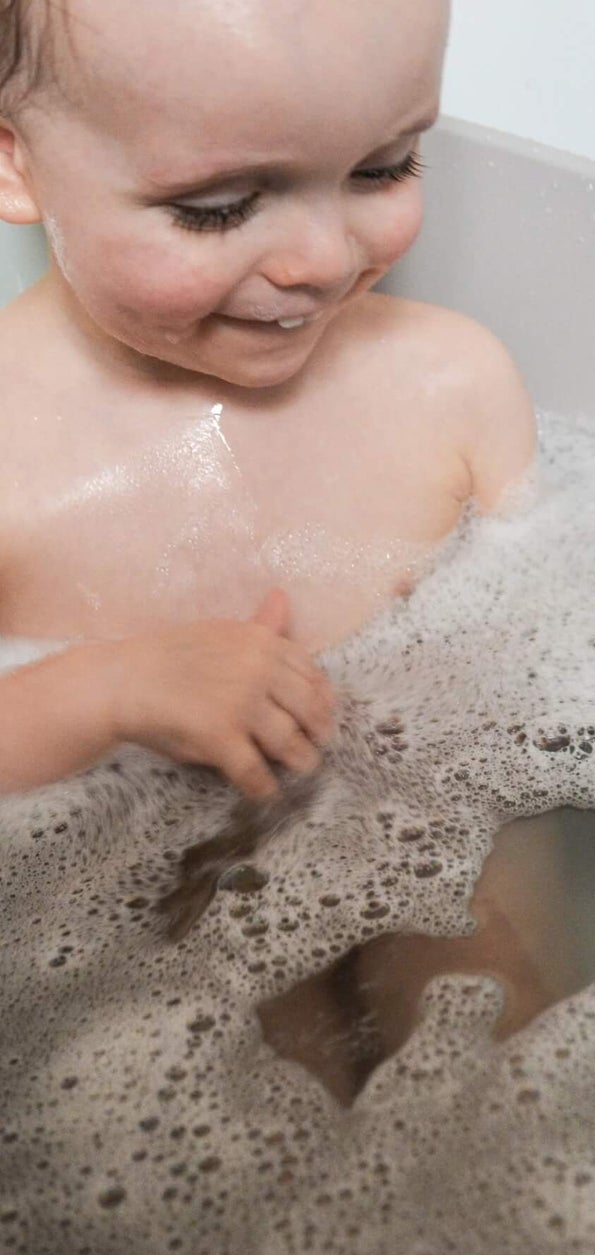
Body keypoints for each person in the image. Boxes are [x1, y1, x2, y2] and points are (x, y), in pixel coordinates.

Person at [0, 0, 536, 800]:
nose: (321, 261)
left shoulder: (456, 387)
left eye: (383, 167)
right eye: (217, 209)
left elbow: (525, 689)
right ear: (15, 163)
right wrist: (107, 691)